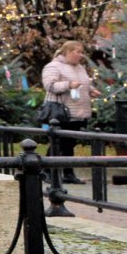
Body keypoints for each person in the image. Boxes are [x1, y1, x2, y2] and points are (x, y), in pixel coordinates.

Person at [41, 40, 97, 184]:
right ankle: (45, 170)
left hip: (78, 111)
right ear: (67, 52)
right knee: (58, 142)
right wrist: (68, 85)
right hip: (61, 111)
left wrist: (91, 90)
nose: (81, 55)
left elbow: (84, 84)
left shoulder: (80, 68)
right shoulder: (53, 66)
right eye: (77, 52)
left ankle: (68, 173)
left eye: (81, 52)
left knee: (69, 143)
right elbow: (50, 85)